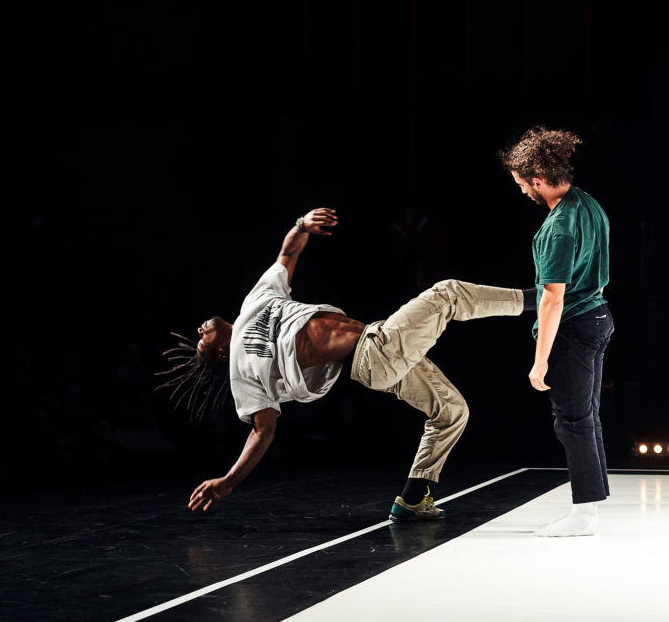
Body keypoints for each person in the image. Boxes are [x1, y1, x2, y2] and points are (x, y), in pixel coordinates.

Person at [157, 207, 527, 520]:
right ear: (220, 354)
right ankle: (537, 301)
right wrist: (229, 481)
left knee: (451, 410)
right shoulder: (242, 371)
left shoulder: (254, 302)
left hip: (375, 344)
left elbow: (287, 255)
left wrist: (302, 225)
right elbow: (262, 431)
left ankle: (413, 497)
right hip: (373, 354)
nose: (200, 330)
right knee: (447, 293)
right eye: (201, 343)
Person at [500, 126, 614, 537]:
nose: (521, 191)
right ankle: (590, 506)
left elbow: (552, 298)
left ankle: (583, 514)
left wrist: (540, 361)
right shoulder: (587, 203)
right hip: (597, 316)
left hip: (575, 327)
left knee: (572, 421)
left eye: (521, 183)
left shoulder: (558, 227)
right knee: (585, 417)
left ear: (538, 179)